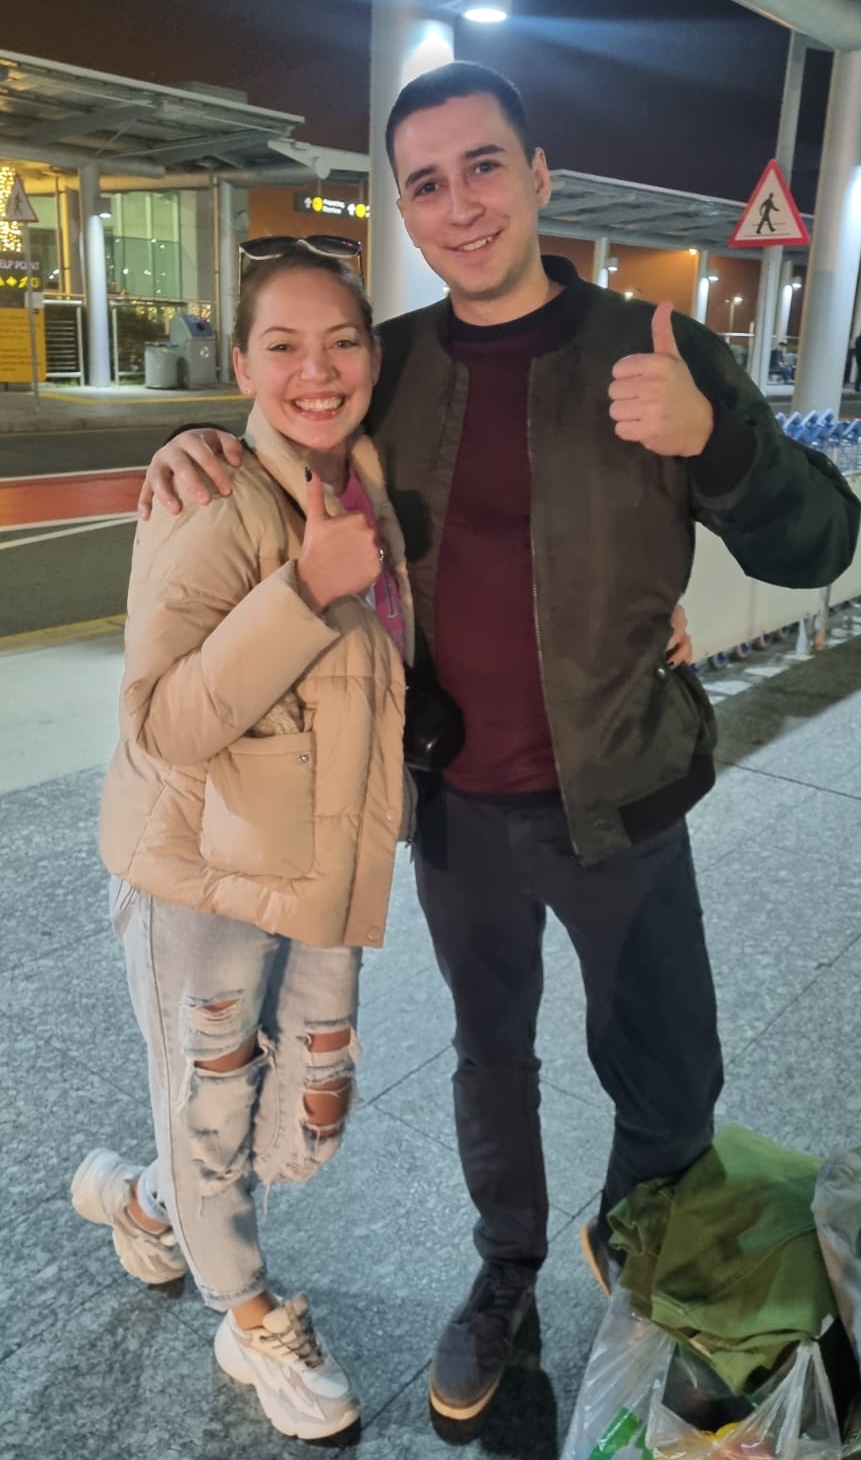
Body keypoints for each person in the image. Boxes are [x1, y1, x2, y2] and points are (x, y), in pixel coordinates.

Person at [139, 61, 860, 1426]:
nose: (458, 203)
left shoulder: (654, 348)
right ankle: (505, 1272)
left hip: (627, 793)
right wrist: (195, 443)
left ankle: (649, 1255)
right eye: (426, 181)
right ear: (406, 211)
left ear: (538, 177)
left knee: (668, 1069)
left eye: (483, 166)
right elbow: (287, 435)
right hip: (455, 804)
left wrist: (712, 446)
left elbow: (819, 535)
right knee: (491, 1059)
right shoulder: (392, 367)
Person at [70, 243, 415, 1441]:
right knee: (217, 1105)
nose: (316, 371)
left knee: (309, 1110)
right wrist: (305, 589)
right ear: (240, 363)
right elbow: (160, 723)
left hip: (319, 864)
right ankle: (250, 1317)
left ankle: (147, 1201)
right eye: (284, 345)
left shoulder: (368, 479)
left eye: (343, 343)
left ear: (375, 357)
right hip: (195, 872)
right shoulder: (208, 497)